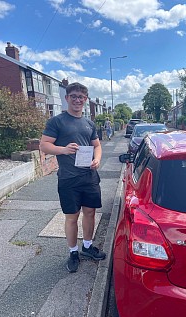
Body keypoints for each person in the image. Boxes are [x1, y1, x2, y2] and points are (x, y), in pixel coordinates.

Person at [40, 82, 106, 273]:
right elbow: (44, 145)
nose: (78, 100)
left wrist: (98, 159)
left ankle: (87, 246)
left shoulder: (89, 123)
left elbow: (97, 146)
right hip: (69, 179)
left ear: (85, 100)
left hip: (89, 176)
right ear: (67, 98)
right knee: (72, 217)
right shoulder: (57, 121)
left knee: (91, 213)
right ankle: (73, 252)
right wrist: (63, 149)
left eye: (81, 97)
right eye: (74, 96)